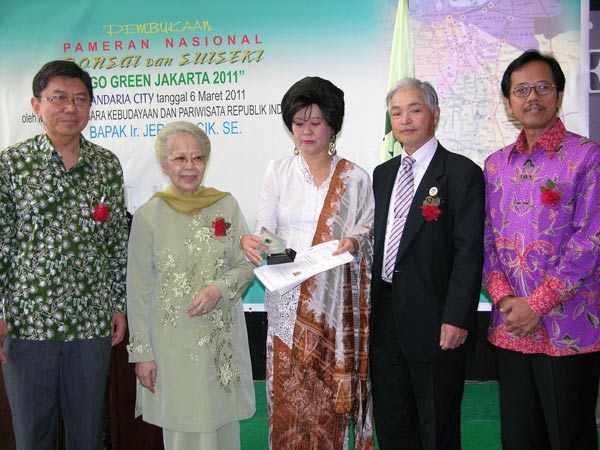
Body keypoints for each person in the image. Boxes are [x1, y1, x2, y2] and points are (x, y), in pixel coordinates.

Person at [240, 76, 374, 449]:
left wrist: (354, 240)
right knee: (289, 400)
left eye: (316, 122)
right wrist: (254, 242)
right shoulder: (278, 171)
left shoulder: (355, 178)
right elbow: (266, 232)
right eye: (299, 123)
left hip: (336, 309)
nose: (306, 131)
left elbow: (371, 231)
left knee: (331, 403)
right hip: (288, 302)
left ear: (333, 125)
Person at [0, 60, 128, 449]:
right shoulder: (11, 164)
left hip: (90, 325)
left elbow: (115, 243)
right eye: (58, 98)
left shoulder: (106, 165)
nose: (70, 108)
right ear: (37, 105)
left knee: (87, 434)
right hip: (27, 324)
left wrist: (117, 304)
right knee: (32, 436)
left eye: (80, 99)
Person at [484, 49, 600, 450]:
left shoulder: (586, 157)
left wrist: (538, 303)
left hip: (568, 328)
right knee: (518, 438)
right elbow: (487, 241)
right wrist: (505, 300)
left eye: (542, 87)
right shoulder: (496, 165)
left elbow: (590, 241)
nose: (532, 97)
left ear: (559, 94)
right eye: (521, 90)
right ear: (508, 102)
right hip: (511, 328)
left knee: (570, 437)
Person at [370, 78, 485, 450]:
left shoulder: (461, 173)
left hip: (437, 323)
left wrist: (457, 317)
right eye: (396, 112)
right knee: (393, 423)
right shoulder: (383, 175)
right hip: (386, 319)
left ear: (434, 114)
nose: (405, 119)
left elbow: (469, 252)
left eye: (414, 109)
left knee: (437, 427)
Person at [126, 121, 255, 450]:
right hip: (172, 350)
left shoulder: (225, 205)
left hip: (219, 345)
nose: (189, 167)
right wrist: (142, 354)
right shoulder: (148, 215)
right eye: (179, 159)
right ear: (164, 164)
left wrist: (219, 289)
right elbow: (137, 290)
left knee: (224, 431)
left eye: (197, 158)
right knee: (184, 435)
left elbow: (245, 265)